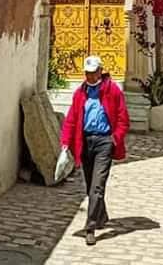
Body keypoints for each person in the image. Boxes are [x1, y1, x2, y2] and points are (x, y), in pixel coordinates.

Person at [60, 55, 130, 246]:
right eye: (87, 73)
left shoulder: (112, 91)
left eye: (93, 72)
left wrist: (115, 138)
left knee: (97, 186)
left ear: (100, 71)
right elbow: (72, 119)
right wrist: (66, 143)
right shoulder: (80, 93)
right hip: (85, 142)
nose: (90, 76)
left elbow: (123, 118)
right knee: (91, 185)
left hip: (104, 142)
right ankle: (101, 216)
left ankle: (90, 227)